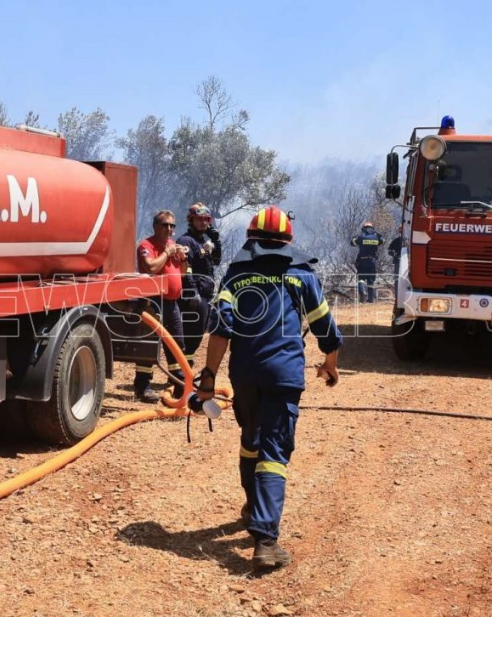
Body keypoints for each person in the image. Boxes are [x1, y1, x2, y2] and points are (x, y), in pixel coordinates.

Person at [196, 205, 343, 571]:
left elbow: (219, 329)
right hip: (283, 375)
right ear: (288, 242)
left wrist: (209, 378)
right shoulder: (301, 275)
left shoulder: (236, 274)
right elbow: (324, 325)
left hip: (244, 374)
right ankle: (265, 540)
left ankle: (251, 508)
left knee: (251, 438)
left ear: (251, 240)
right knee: (274, 451)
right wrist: (331, 363)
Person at [134, 210, 188, 403]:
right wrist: (166, 253)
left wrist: (183, 258)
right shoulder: (146, 245)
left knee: (176, 344)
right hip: (153, 301)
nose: (170, 229)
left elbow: (182, 274)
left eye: (172, 225)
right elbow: (150, 267)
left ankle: (180, 384)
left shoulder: (173, 246)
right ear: (156, 226)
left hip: (172, 303)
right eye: (165, 225)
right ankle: (143, 387)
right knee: (150, 344)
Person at [176, 203, 222, 369]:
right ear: (191, 220)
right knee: (191, 333)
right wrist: (192, 292)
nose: (203, 223)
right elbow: (185, 268)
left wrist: (216, 241)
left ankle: (186, 365)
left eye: (206, 220)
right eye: (199, 219)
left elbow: (216, 261)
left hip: (205, 295)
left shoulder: (204, 240)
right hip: (194, 296)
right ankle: (182, 367)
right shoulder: (185, 241)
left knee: (198, 332)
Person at [351, 221, 384, 303]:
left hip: (362, 260)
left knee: (361, 278)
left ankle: (362, 291)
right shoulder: (376, 237)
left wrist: (355, 237)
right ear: (372, 228)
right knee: (371, 280)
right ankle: (370, 299)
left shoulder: (361, 237)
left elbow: (352, 243)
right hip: (372, 261)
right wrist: (377, 234)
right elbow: (383, 241)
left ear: (364, 228)